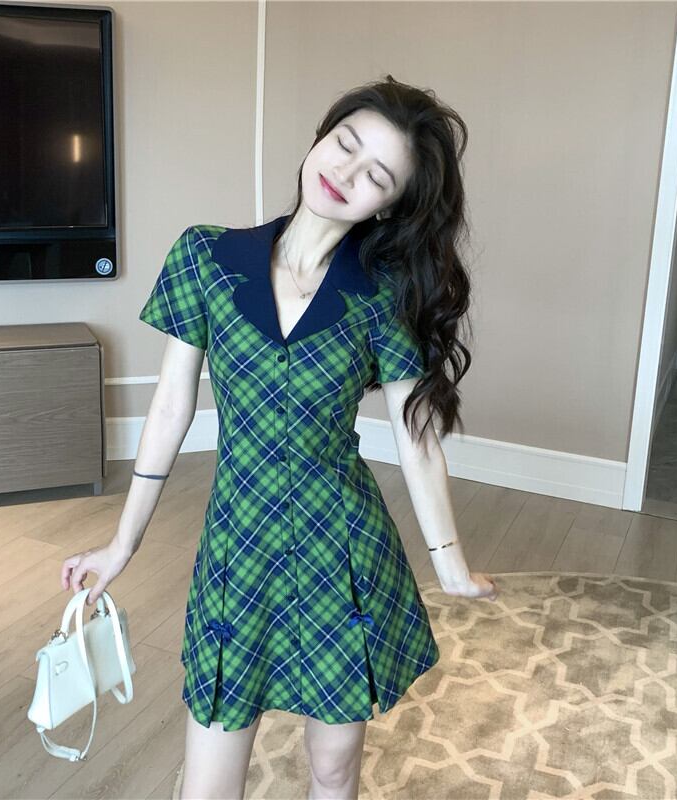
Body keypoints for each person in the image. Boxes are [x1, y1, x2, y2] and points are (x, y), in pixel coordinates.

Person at [61, 75, 498, 800]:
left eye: (376, 176)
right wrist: (121, 545)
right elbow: (169, 409)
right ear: (320, 137)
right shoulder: (206, 257)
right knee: (208, 782)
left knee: (334, 768)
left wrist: (449, 562)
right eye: (344, 145)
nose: (345, 174)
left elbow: (416, 434)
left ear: (389, 206)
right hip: (237, 548)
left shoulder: (382, 297)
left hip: (342, 548)